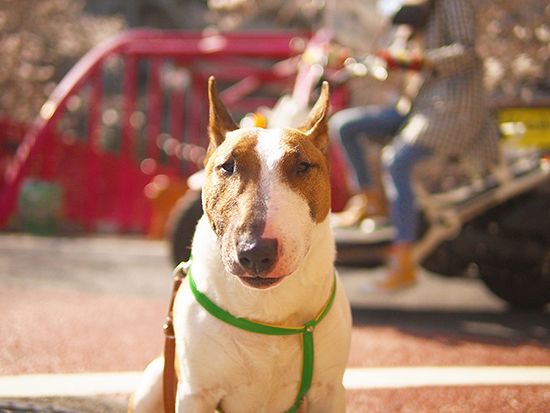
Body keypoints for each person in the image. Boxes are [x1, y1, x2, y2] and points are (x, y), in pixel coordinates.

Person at [332, 0, 500, 291]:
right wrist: (353, 59)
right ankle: (370, 200)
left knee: (396, 161)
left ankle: (403, 258)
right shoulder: (409, 8)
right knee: (345, 126)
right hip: (415, 106)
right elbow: (397, 60)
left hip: (449, 107)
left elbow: (467, 50)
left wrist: (419, 62)